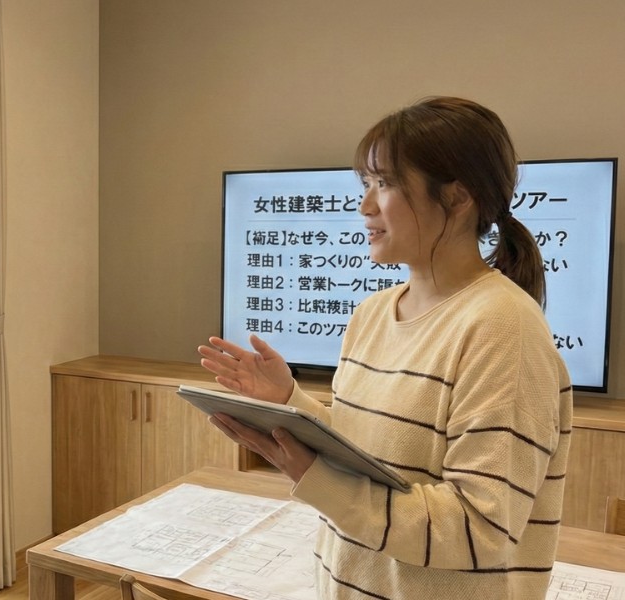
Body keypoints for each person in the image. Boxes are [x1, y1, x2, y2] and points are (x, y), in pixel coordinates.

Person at [197, 97, 572, 599]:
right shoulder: (373, 312)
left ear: (458, 197)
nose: (365, 206)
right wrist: (290, 402)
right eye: (366, 184)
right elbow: (367, 456)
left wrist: (315, 477)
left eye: (386, 183)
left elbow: (480, 530)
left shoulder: (504, 328)